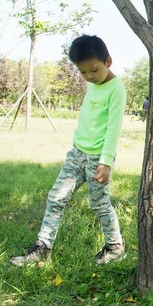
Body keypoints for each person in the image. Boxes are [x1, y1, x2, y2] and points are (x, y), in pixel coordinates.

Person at [10, 35, 127, 266]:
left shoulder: (117, 89)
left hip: (98, 159)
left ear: (108, 61)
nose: (89, 76)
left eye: (93, 70)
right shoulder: (93, 85)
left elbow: (113, 128)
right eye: (83, 73)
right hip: (76, 154)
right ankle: (42, 249)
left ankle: (115, 247)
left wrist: (105, 162)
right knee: (56, 197)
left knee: (99, 204)